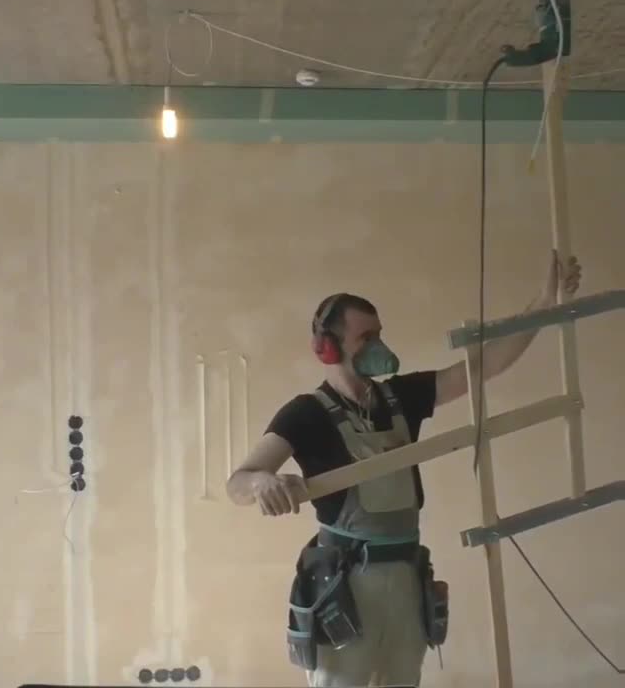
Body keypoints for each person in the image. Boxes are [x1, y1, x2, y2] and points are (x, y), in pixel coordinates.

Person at [225, 251, 582, 688]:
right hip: (345, 586)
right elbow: (238, 482)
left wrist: (544, 302)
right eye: (365, 337)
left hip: (406, 577)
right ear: (329, 346)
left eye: (379, 334)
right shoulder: (306, 414)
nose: (378, 345)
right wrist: (263, 482)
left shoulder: (402, 398)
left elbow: (484, 365)